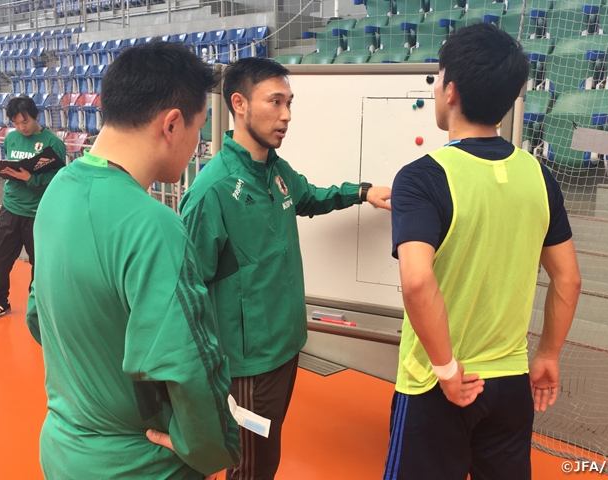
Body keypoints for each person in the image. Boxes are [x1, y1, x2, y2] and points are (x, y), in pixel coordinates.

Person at [26, 41, 240, 479]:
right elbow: (186, 366)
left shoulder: (57, 190)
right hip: (138, 463)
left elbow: (36, 317)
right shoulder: (152, 224)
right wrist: (208, 449)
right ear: (172, 124)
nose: (198, 143)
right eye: (199, 129)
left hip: (64, 449)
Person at [384, 23, 582, 480]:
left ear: (449, 90)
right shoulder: (539, 175)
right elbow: (568, 279)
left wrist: (446, 368)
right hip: (511, 381)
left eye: (436, 78)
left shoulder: (421, 177)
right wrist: (548, 356)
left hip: (439, 381)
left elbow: (416, 281)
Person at [179, 57, 391, 480]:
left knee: (265, 455)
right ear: (239, 104)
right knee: (251, 467)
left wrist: (362, 191)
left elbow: (310, 197)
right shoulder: (214, 190)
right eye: (275, 102)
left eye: (289, 102)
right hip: (247, 364)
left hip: (287, 344)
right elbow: (187, 288)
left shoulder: (276, 170)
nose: (286, 115)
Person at [0, 96, 65, 318]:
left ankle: (37, 307)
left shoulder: (53, 143)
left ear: (36, 116)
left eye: (25, 121)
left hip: (38, 212)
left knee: (39, 262)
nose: (21, 127)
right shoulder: (11, 138)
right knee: (0, 257)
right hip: (11, 207)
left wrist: (30, 179)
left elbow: (58, 177)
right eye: (16, 123)